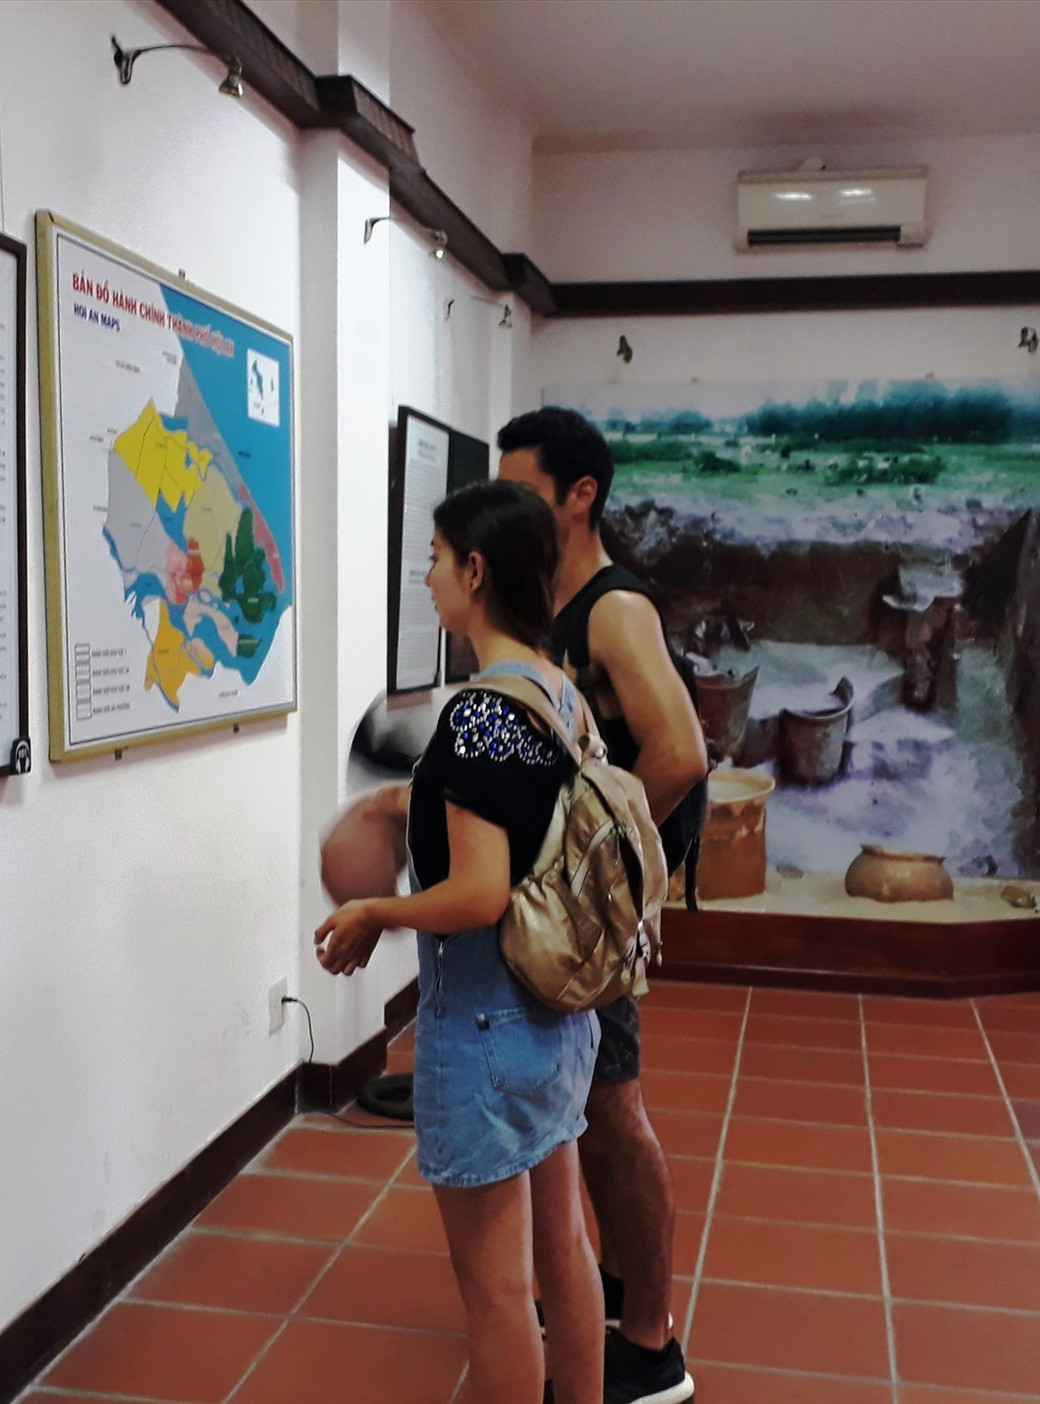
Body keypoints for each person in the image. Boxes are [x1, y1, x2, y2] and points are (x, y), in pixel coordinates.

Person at [316, 480, 604, 1404]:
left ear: (476, 572)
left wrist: (374, 914)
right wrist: (411, 799)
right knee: (564, 1247)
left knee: (495, 1288)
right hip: (558, 1015)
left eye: (436, 559)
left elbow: (479, 893)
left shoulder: (476, 714)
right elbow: (523, 827)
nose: (428, 578)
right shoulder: (558, 694)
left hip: (484, 1027)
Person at [498, 407, 707, 1404]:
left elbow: (680, 754)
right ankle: (618, 1291)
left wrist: (601, 875)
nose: (507, 508)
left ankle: (654, 1349)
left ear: (581, 496)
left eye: (524, 490)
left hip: (596, 915)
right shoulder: (547, 605)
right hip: (560, 908)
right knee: (580, 1112)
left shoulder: (617, 611)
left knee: (611, 1111)